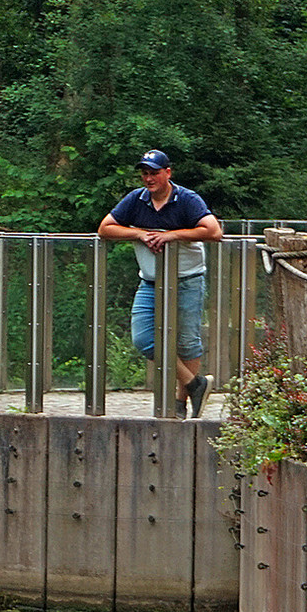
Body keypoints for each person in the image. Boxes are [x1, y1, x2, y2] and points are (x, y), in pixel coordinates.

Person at [98, 150, 224, 418]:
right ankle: (194, 384)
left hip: (187, 280)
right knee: (144, 338)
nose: (148, 178)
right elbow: (105, 229)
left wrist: (172, 236)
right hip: (150, 282)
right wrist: (140, 233)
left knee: (187, 341)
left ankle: (180, 402)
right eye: (145, 173)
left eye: (154, 172)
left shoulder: (187, 199)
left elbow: (213, 231)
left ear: (168, 172)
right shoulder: (136, 199)